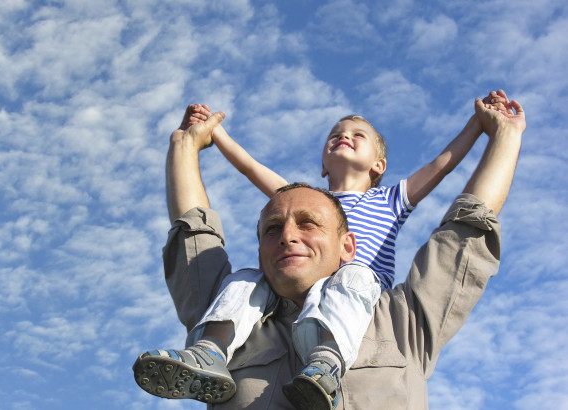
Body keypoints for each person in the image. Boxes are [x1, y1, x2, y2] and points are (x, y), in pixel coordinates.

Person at [134, 89, 524, 409]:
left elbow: (460, 209)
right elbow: (213, 211)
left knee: (352, 278)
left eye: (309, 223)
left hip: (364, 292)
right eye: (273, 227)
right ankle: (211, 351)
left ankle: (327, 360)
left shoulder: (400, 305)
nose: (288, 234)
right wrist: (203, 138)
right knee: (243, 282)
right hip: (267, 300)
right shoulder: (298, 203)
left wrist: (484, 128)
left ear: (378, 164)